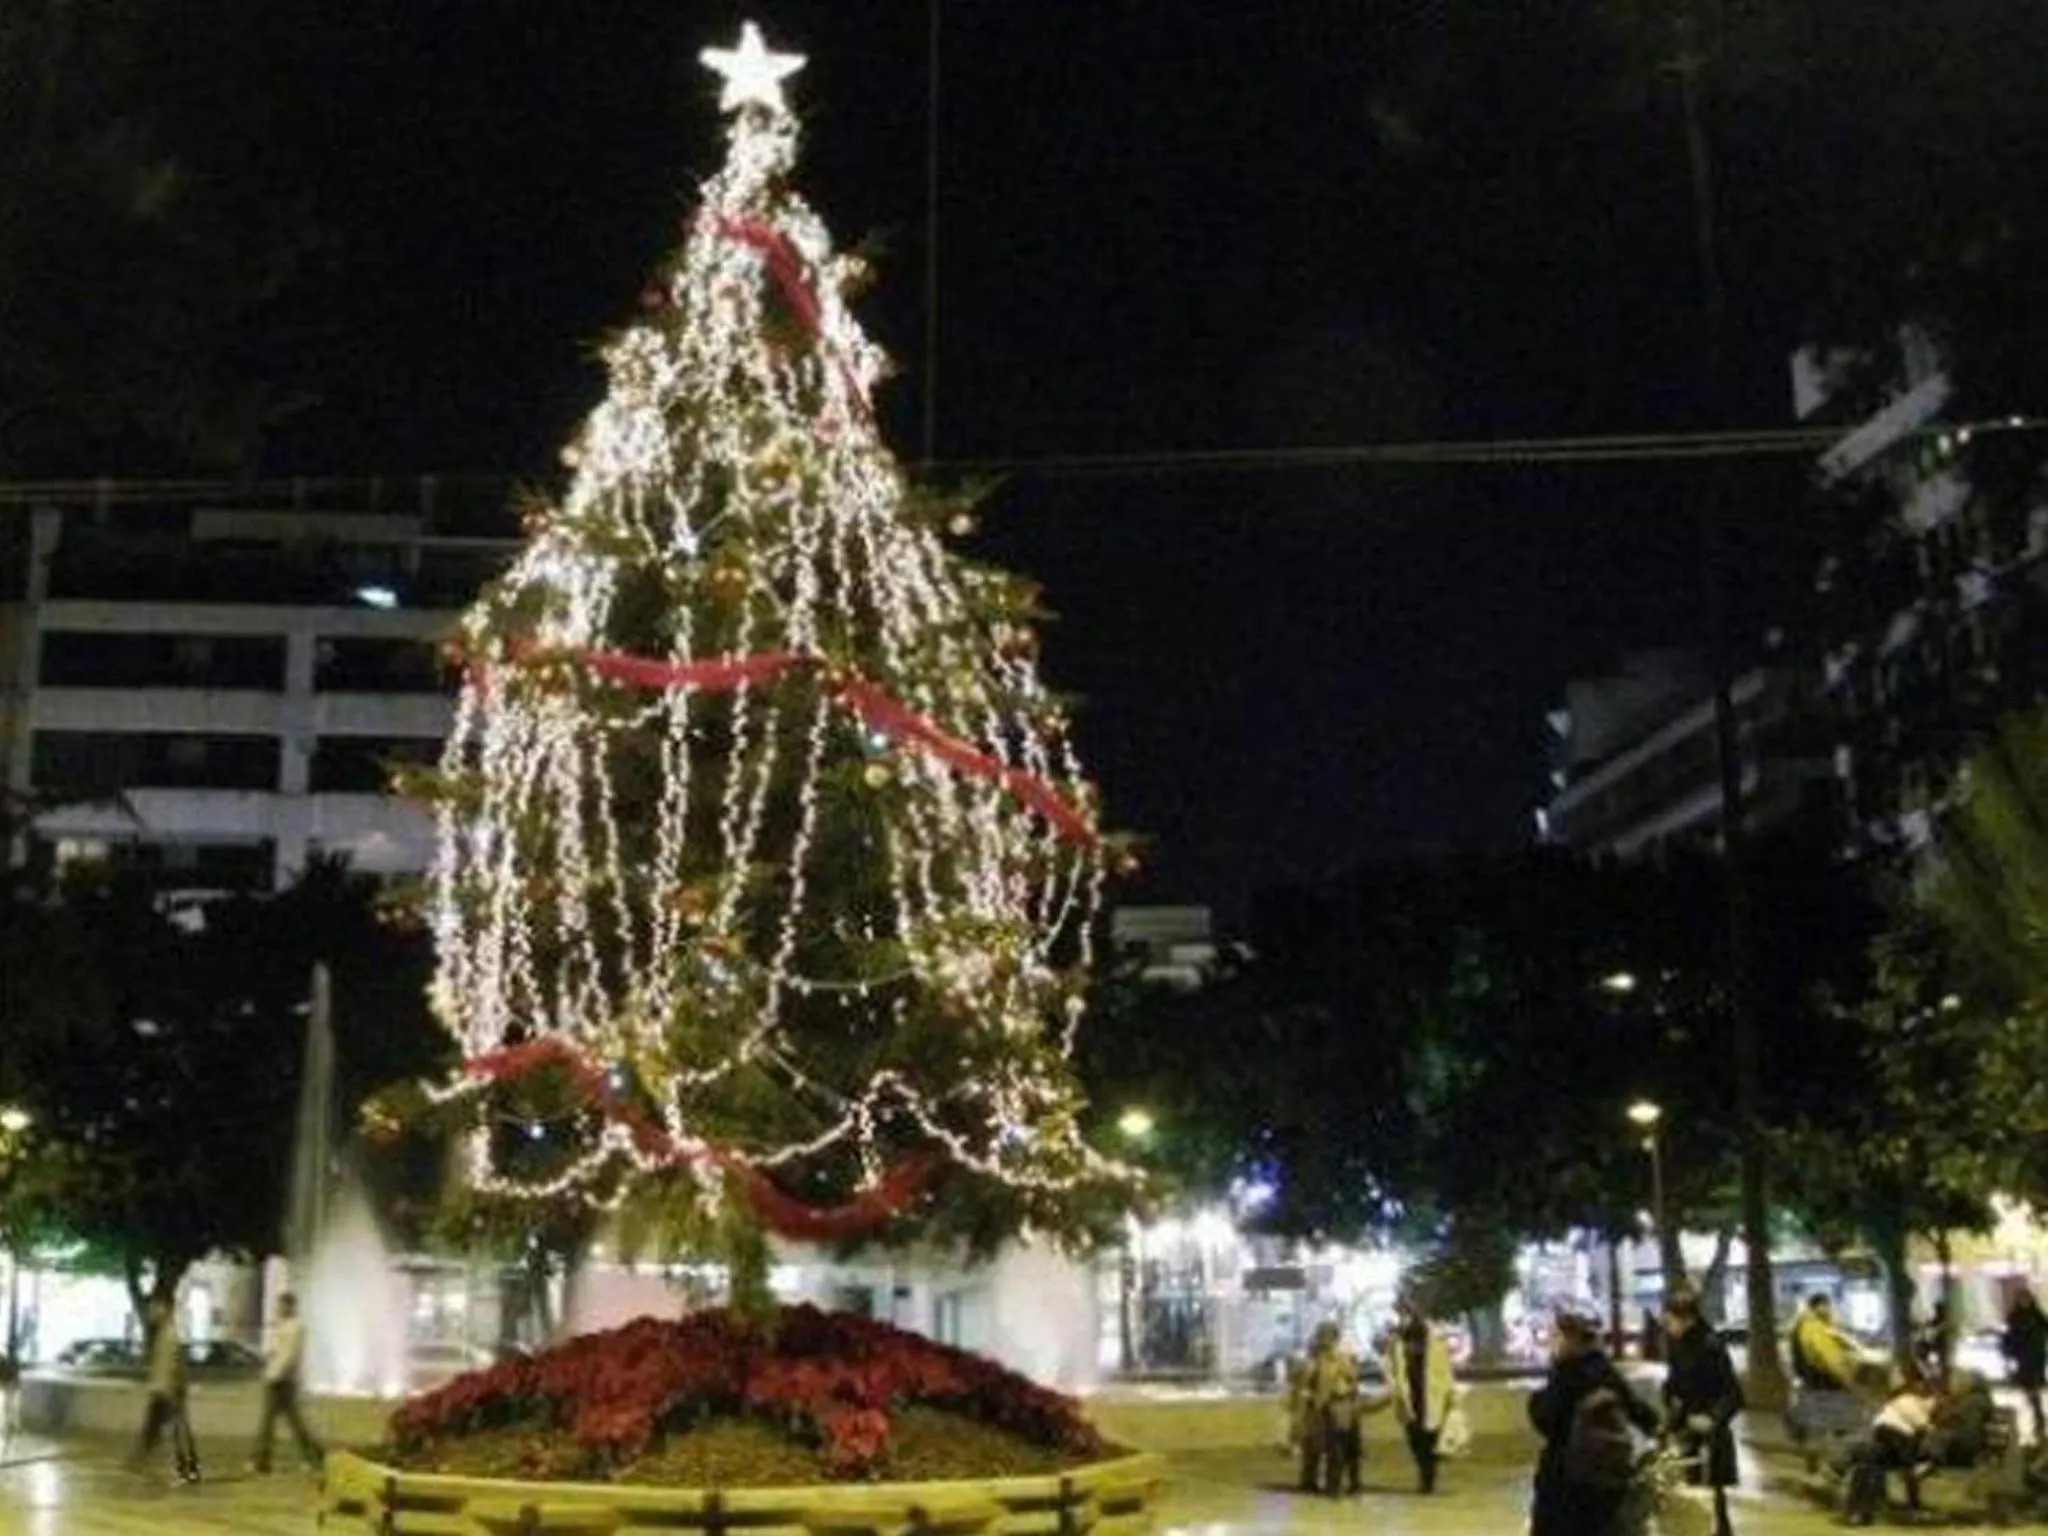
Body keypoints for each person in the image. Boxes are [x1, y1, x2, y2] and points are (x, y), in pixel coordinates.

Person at [1528, 1310, 1661, 1536]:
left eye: (1554, 1336)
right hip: (1606, 1475)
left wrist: (1535, 1400)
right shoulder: (1606, 1371)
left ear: (1567, 1339)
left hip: (1566, 1475)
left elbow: (1547, 1419)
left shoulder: (1565, 1374)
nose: (1550, 1343)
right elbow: (1640, 1412)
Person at [1661, 1294, 1743, 1536]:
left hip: (1709, 1432)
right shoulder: (1678, 1346)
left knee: (1710, 1492)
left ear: (1687, 1319)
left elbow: (1733, 1393)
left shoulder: (1711, 1345)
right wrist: (1669, 1405)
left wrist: (1712, 1419)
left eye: (1670, 1321)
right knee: (1685, 1495)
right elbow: (1676, 1383)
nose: (1668, 1326)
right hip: (1687, 1429)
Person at [1839, 1376, 1938, 1527]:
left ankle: (1858, 1511)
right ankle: (1913, 1506)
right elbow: (1922, 1425)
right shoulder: (1912, 1401)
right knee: (1905, 1468)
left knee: (1870, 1465)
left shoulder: (1903, 1400)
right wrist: (1929, 1428)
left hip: (1884, 1432)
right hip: (1898, 1435)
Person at [1384, 1294, 1455, 1493]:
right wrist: (1394, 1387)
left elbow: (1445, 1369)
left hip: (1431, 1395)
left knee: (1430, 1436)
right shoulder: (1397, 1341)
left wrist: (1451, 1393)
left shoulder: (1434, 1340)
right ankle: (1425, 1472)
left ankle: (1427, 1477)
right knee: (1415, 1437)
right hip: (1411, 1397)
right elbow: (1390, 1367)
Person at [249, 1291, 323, 1474]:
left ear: (291, 1306)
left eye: (282, 1305)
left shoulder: (296, 1328)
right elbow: (274, 1351)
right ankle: (313, 1457)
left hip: (282, 1381)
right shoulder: (282, 1326)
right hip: (278, 1378)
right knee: (290, 1422)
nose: (279, 1309)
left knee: (274, 1423)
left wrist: (274, 1375)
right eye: (278, 1305)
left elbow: (289, 1356)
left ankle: (263, 1462)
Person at [127, 1296, 199, 1483]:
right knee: (164, 1430)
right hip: (162, 1390)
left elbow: (177, 1367)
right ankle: (185, 1467)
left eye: (155, 1307)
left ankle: (185, 1467)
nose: (151, 1312)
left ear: (165, 1309)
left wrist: (174, 1391)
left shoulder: (169, 1336)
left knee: (170, 1431)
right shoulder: (164, 1335)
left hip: (166, 1392)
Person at [1291, 1321, 1361, 1496]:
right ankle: (1327, 1483)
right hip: (1326, 1407)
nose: (1326, 1341)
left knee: (1338, 1448)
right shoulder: (1317, 1359)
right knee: (1321, 1447)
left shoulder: (1338, 1358)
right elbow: (1303, 1384)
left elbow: (1351, 1381)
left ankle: (1337, 1484)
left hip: (1335, 1406)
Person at [2002, 1287, 2046, 1442]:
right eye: (2022, 1299)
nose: (2025, 1302)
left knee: (2033, 1390)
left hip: (2036, 1359)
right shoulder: (2015, 1318)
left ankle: (2038, 1418)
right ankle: (2037, 1416)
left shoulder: (2037, 1317)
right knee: (2028, 1391)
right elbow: (2008, 1338)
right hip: (2023, 1359)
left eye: (2026, 1299)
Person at [1790, 1294, 1860, 1392]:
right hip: (1825, 1384)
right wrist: (1849, 1381)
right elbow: (1831, 1359)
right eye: (1828, 1306)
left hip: (1812, 1381)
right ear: (1820, 1307)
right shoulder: (1815, 1327)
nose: (1830, 1310)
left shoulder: (1805, 1323)